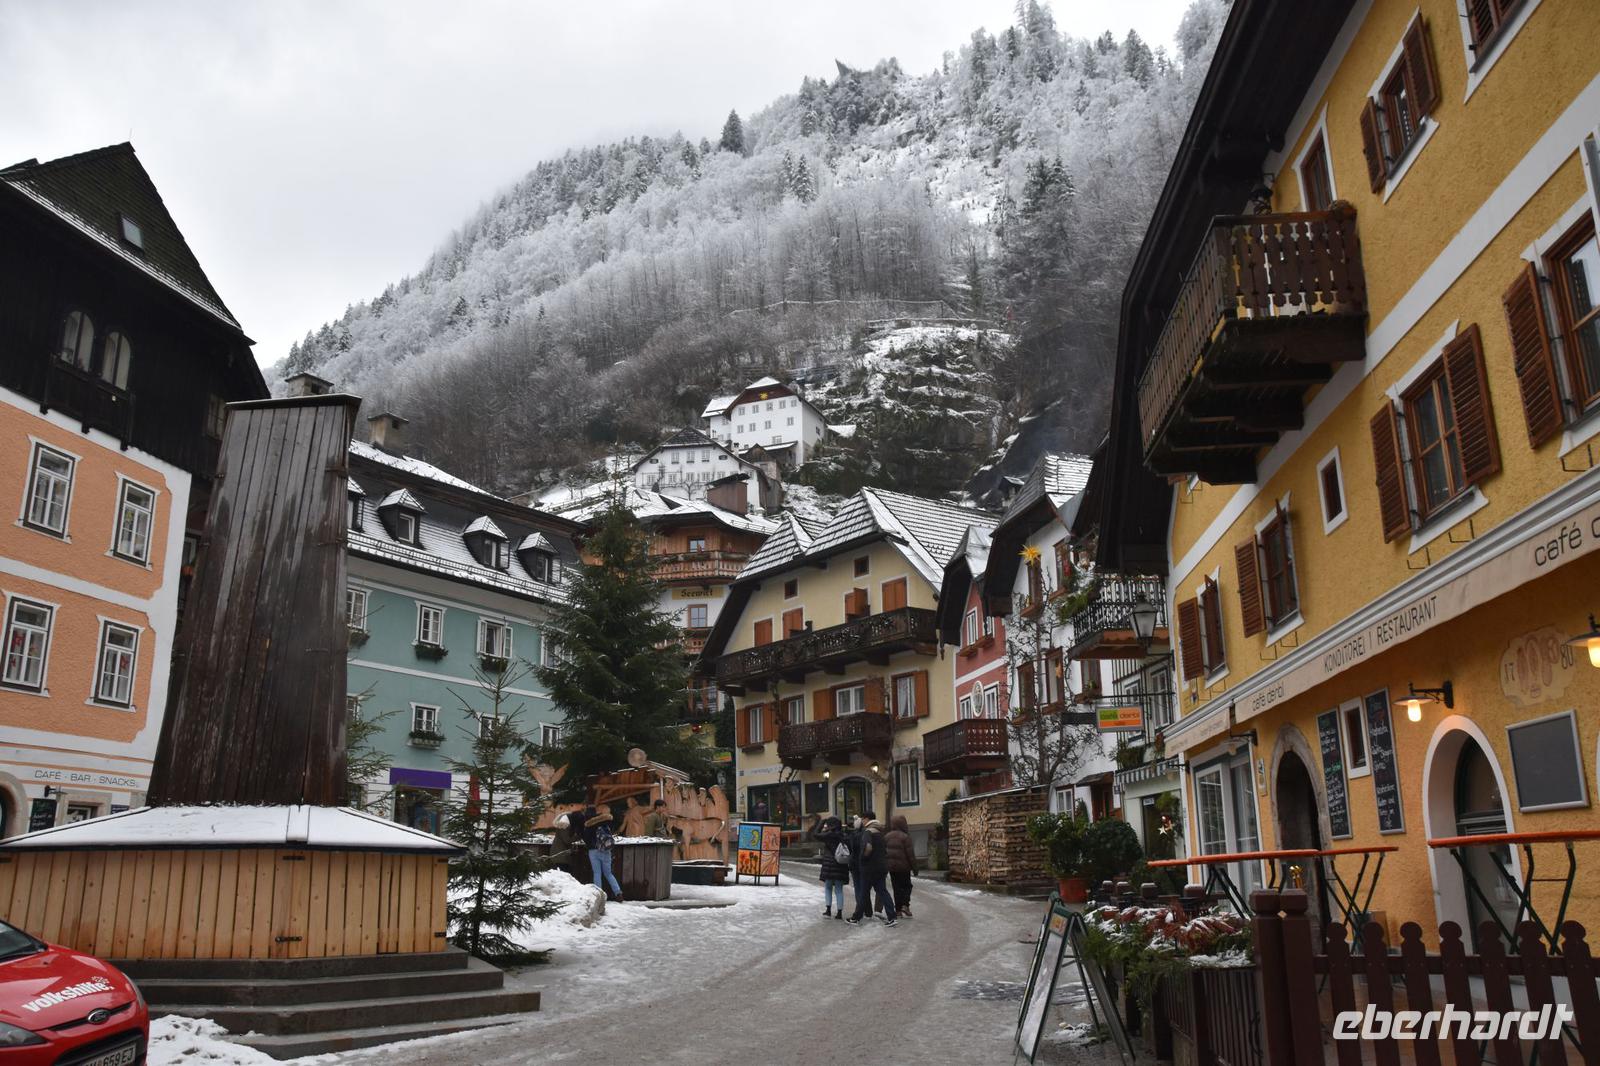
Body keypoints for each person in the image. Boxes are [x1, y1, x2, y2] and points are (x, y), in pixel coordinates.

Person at [846, 812, 896, 927]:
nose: (862, 821)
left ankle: (856, 918)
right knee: (883, 892)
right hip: (881, 866)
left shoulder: (868, 832)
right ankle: (892, 917)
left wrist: (863, 859)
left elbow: (868, 847)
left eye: (863, 819)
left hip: (869, 868)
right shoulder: (880, 831)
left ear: (867, 819)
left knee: (863, 893)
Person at [811, 815, 850, 919]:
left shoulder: (828, 835)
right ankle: (839, 913)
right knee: (839, 890)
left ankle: (828, 911)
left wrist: (822, 822)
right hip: (841, 865)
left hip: (829, 865)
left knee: (828, 888)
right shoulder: (844, 835)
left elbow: (815, 834)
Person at [582, 805, 623, 902]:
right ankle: (618, 893)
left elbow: (586, 839)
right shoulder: (604, 822)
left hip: (593, 851)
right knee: (608, 873)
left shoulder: (588, 825)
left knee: (597, 873)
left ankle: (599, 896)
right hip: (606, 850)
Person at [885, 814, 919, 918]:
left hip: (892, 868)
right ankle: (905, 905)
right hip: (904, 867)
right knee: (907, 886)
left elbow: (884, 853)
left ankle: (898, 910)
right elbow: (910, 855)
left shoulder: (887, 836)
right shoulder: (905, 837)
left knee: (896, 888)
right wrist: (915, 868)